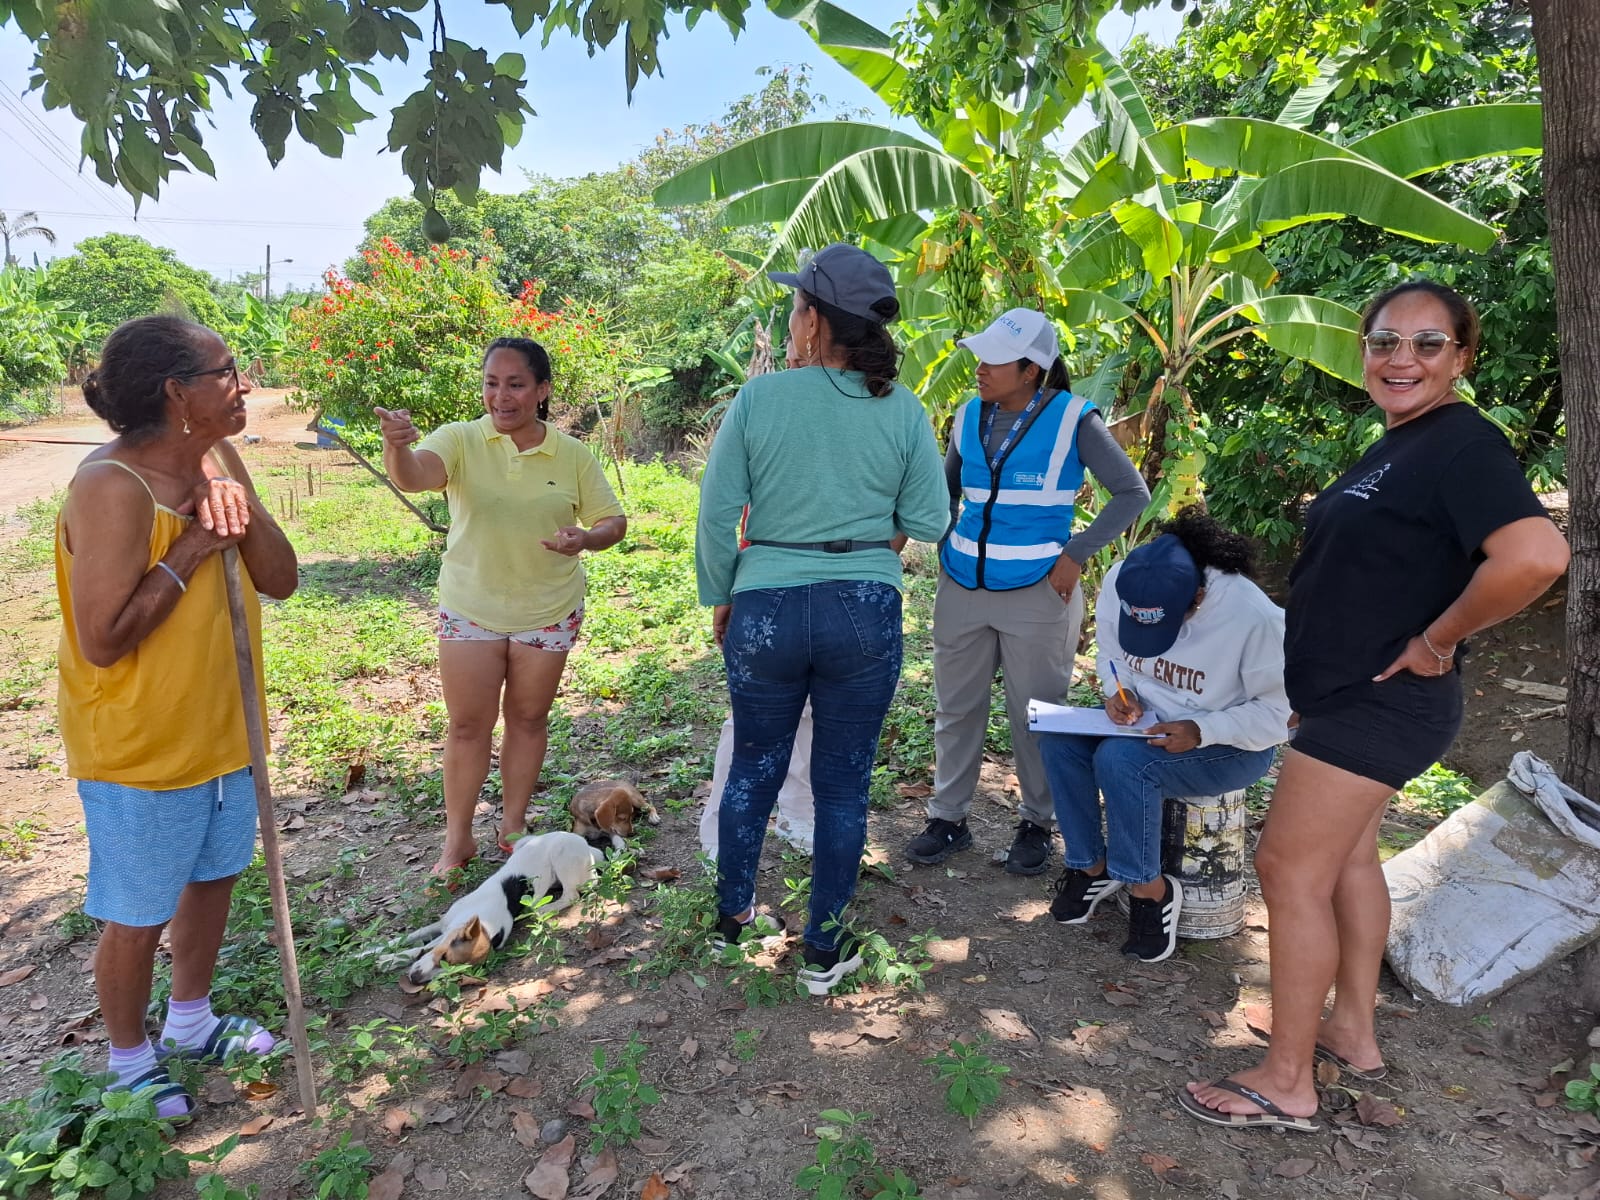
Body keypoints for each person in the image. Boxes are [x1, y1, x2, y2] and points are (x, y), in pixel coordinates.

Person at [1181, 281, 1569, 1132]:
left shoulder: (1462, 444)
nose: (1402, 358)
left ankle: (1288, 1080)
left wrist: (1437, 639)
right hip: (1349, 698)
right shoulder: (1405, 442)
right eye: (1385, 341)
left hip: (1382, 704)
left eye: (1429, 344)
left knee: (1289, 870)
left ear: (1462, 358)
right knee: (1350, 862)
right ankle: (1351, 1032)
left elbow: (1537, 556)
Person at [56, 315, 299, 1118]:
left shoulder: (217, 457)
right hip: (142, 744)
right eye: (227, 370)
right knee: (138, 911)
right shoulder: (111, 487)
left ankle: (191, 1020)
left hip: (223, 726)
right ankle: (129, 1060)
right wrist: (192, 547)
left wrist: (239, 507)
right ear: (177, 392)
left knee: (213, 877)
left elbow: (280, 580)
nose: (244, 383)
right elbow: (103, 639)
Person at [696, 243, 950, 995]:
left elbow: (716, 515)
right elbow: (930, 520)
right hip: (864, 610)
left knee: (754, 767)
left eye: (795, 308)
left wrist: (723, 595)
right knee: (843, 786)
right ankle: (825, 950)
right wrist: (866, 539)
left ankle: (732, 924)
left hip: (765, 606)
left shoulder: (759, 399)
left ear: (812, 321)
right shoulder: (903, 409)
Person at [905, 308, 1149, 875]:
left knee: (1036, 715)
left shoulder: (1073, 419)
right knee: (956, 709)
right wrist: (944, 543)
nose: (980, 369)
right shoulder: (968, 415)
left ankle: (1037, 823)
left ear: (1031, 369)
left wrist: (1075, 554)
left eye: (994, 361)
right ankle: (948, 818)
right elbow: (945, 490)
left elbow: (1131, 493)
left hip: (1039, 590)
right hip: (963, 584)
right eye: (980, 358)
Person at [377, 337, 626, 877]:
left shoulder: (571, 454)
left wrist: (586, 538)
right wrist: (396, 447)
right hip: (471, 605)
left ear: (542, 390)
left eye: (516, 384)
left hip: (548, 608)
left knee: (528, 719)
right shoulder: (460, 439)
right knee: (468, 726)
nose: (501, 396)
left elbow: (613, 521)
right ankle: (457, 840)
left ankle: (512, 826)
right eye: (492, 383)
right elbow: (416, 475)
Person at [1038, 508, 1290, 963]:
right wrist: (1120, 692)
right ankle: (1090, 866)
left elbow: (1280, 716)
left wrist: (1203, 729)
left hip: (1231, 746)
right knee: (1059, 741)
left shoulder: (1253, 617)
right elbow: (1112, 654)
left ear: (1198, 596)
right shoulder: (1124, 581)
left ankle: (1150, 891)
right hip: (1144, 725)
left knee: (1121, 762)